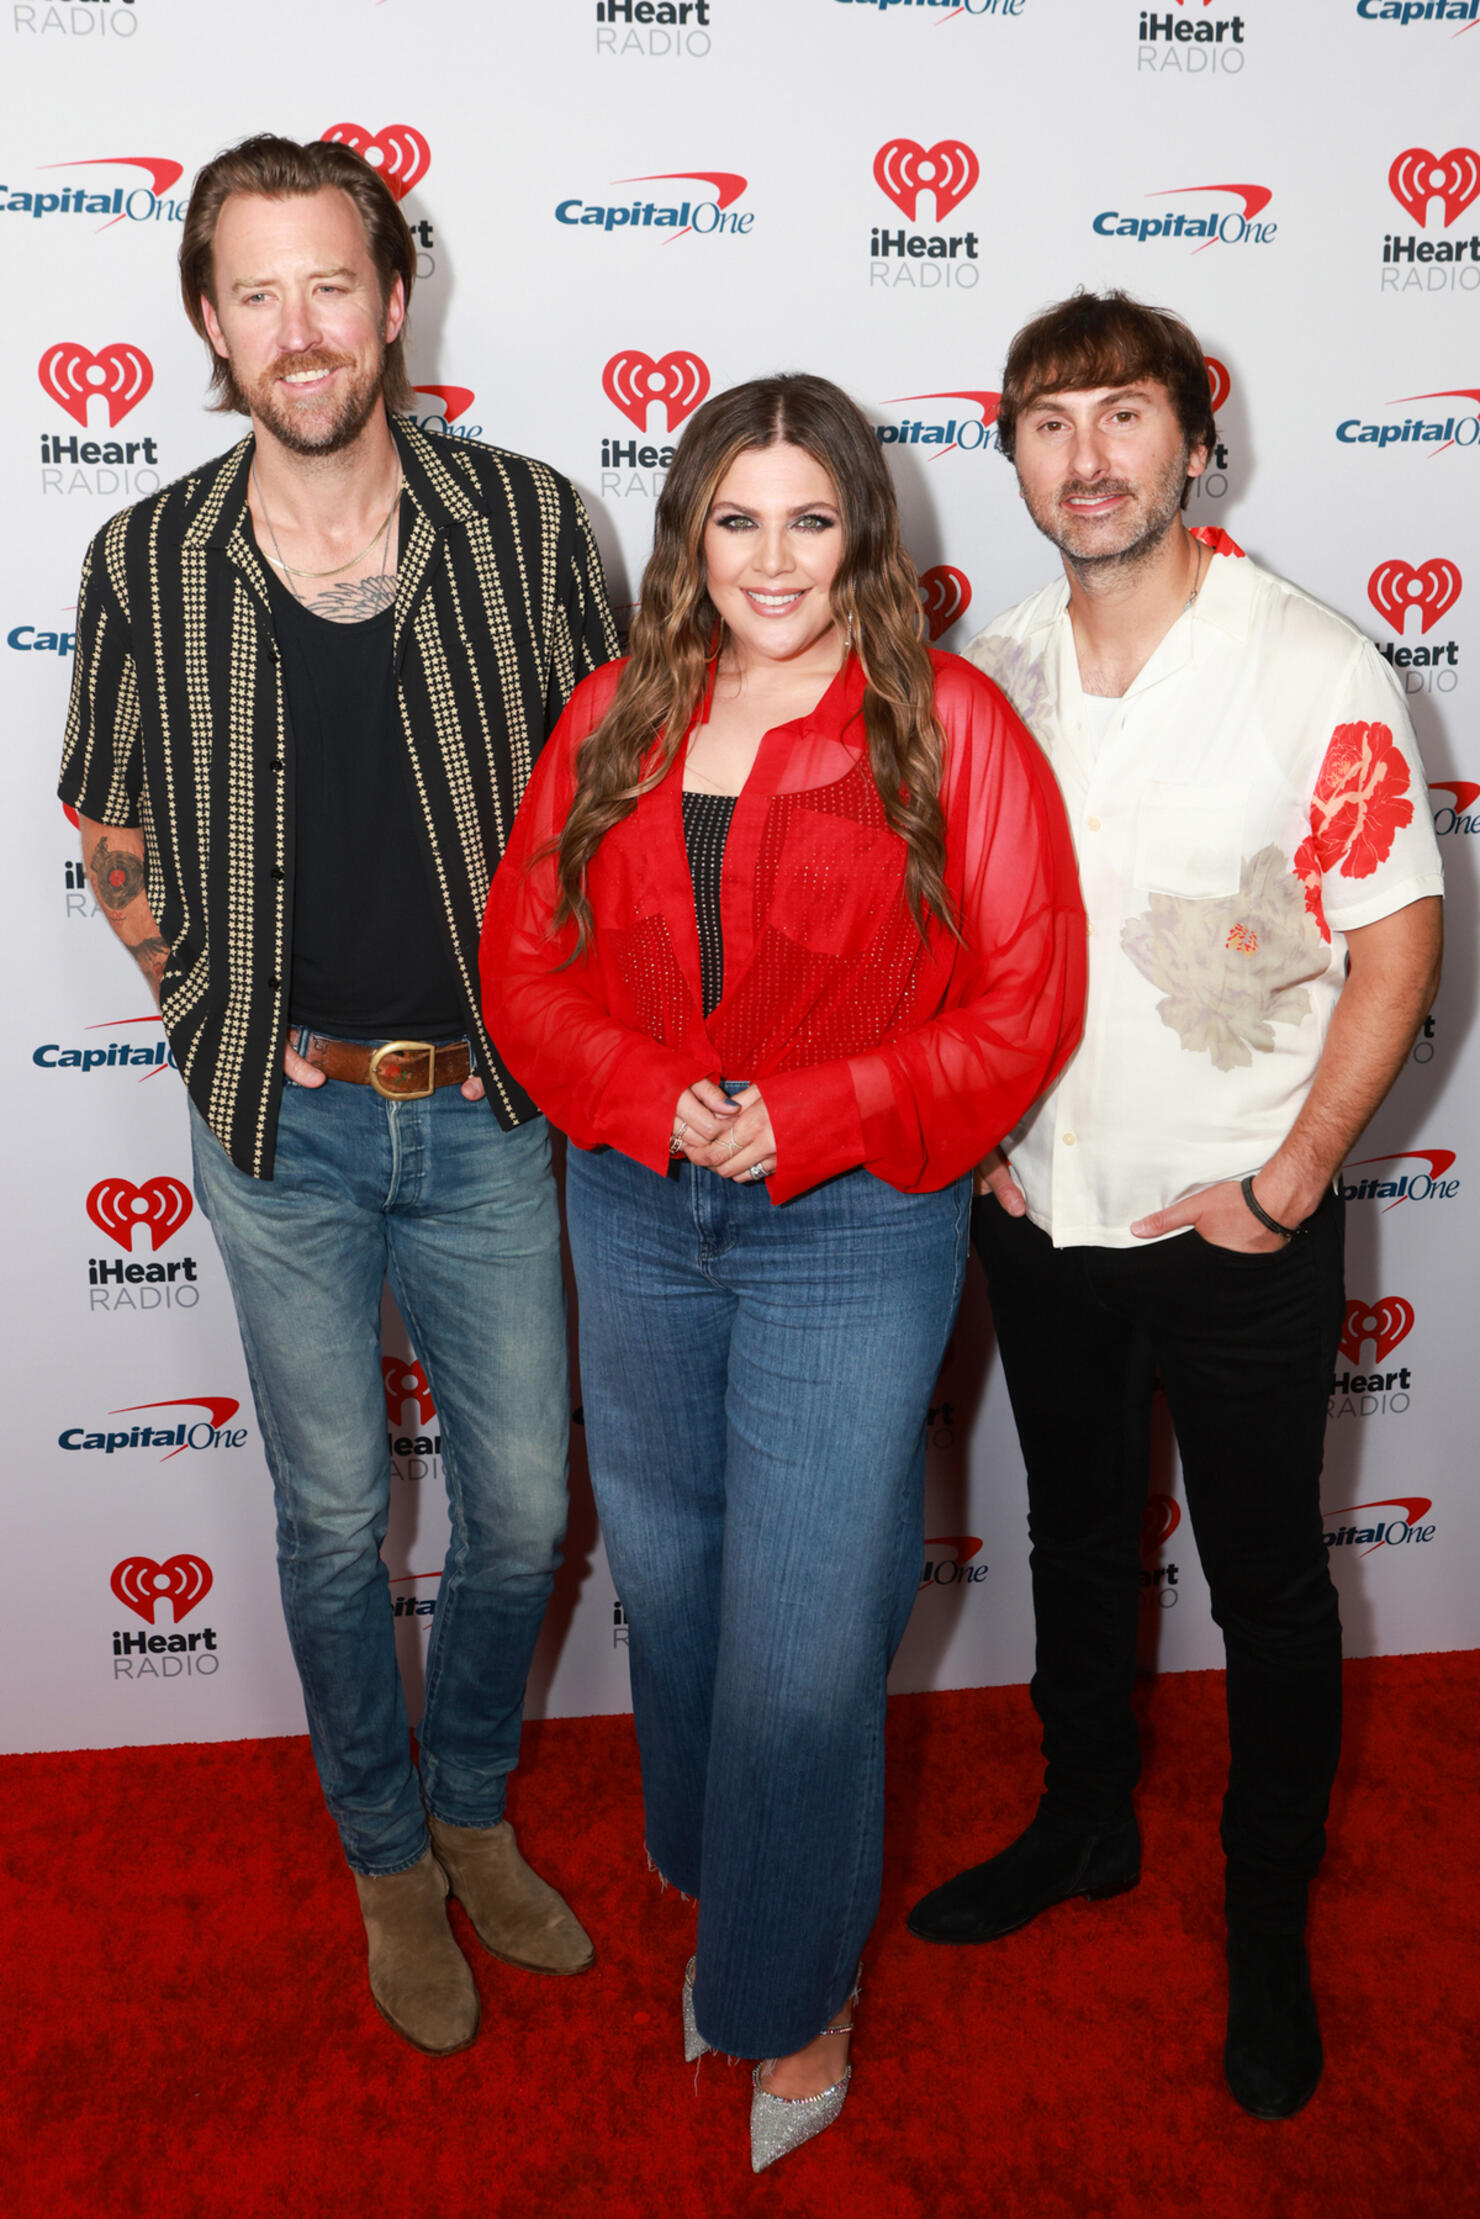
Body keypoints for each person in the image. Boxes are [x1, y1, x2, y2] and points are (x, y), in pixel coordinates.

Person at [479, 372, 1086, 2167]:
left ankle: (785, 1989)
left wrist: (815, 1113)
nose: (772, 557)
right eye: (734, 519)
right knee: (669, 1586)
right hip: (638, 1208)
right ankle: (725, 1871)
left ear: (861, 535)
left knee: (812, 1637)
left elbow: (1022, 999)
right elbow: (528, 976)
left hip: (856, 1225)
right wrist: (665, 1102)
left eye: (808, 518)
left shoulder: (947, 724)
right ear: (689, 536)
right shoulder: (614, 715)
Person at [58, 133, 618, 2057]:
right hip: (279, 1122)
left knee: (527, 1510)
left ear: (395, 297)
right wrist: (208, 1009)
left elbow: (613, 804)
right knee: (324, 1518)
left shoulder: (537, 526)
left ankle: (471, 1802)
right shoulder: (140, 558)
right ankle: (384, 1845)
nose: (301, 330)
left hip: (491, 1116)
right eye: (256, 292)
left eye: (332, 284)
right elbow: (109, 817)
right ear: (208, 324)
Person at [906, 291, 1444, 2121]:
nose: (1089, 457)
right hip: (1039, 1211)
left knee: (1271, 1583)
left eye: (1121, 416)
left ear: (1192, 436)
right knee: (1071, 1538)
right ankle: (1082, 1825)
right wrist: (978, 1123)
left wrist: (1290, 1184)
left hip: (1233, 1226)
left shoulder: (1310, 663)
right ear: (1019, 461)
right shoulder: (997, 666)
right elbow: (955, 921)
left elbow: (1401, 935)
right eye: (1049, 425)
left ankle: (1267, 1917)